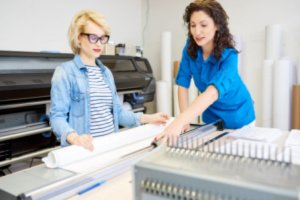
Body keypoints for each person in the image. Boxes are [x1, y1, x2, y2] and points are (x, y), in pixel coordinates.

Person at [50, 10, 169, 151]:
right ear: (78, 38)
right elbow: (57, 118)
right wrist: (74, 137)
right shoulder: (64, 72)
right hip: (83, 151)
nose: (99, 43)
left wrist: (150, 118)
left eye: (102, 38)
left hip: (109, 147)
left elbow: (118, 113)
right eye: (93, 37)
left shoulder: (106, 73)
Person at [156, 0, 255, 144]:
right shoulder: (191, 47)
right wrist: (184, 121)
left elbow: (212, 92)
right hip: (212, 118)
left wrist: (178, 122)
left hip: (239, 116)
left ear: (217, 25)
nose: (197, 32)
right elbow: (183, 83)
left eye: (203, 25)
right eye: (193, 25)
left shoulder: (229, 56)